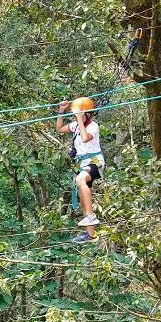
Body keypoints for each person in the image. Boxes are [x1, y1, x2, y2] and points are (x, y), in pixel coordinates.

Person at [55, 96, 104, 243]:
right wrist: (61, 111)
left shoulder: (93, 126)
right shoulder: (76, 125)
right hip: (83, 165)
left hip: (95, 162)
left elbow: (84, 138)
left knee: (80, 179)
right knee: (83, 199)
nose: (77, 117)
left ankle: (91, 216)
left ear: (87, 114)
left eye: (81, 114)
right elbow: (59, 129)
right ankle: (91, 234)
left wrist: (79, 119)